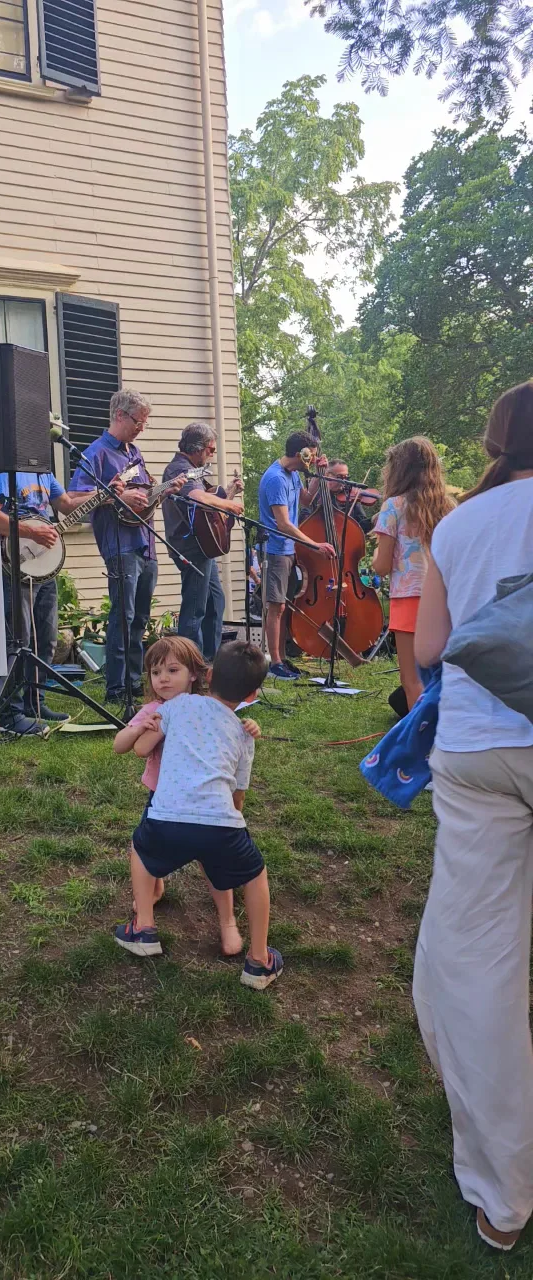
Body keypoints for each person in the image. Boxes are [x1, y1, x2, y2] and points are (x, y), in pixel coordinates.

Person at [412, 381, 533, 1253]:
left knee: (479, 964)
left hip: (482, 748)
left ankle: (502, 1193)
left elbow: (428, 650)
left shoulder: (457, 526)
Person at [114, 640, 284, 991]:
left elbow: (141, 749)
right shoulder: (243, 733)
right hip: (222, 824)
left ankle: (144, 928)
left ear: (206, 675)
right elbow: (239, 795)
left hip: (167, 816)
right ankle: (258, 960)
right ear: (252, 695)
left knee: (141, 849)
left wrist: (145, 730)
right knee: (254, 875)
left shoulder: (177, 707)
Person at [69, 390, 185, 703]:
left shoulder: (134, 452)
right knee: (123, 615)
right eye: (139, 421)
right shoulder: (96, 454)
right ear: (120, 415)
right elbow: (73, 502)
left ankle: (134, 681)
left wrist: (165, 490)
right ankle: (116, 688)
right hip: (119, 544)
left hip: (146, 543)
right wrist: (114, 496)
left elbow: (144, 497)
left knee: (140, 617)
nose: (142, 428)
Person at [0, 470, 96, 735]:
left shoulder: (44, 472)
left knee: (45, 637)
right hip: (13, 563)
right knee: (18, 639)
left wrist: (101, 495)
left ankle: (35, 702)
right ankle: (10, 713)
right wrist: (30, 533)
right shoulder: (3, 469)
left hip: (44, 564)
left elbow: (66, 504)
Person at [372, 437, 454, 713]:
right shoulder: (449, 507)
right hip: (445, 599)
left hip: (408, 599)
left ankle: (421, 744)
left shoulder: (393, 506)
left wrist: (375, 555)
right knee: (444, 676)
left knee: (412, 680)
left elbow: (381, 566)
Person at [162, 422, 244, 661]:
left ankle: (211, 659)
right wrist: (231, 505)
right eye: (210, 449)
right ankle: (190, 663)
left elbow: (206, 512)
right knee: (195, 606)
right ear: (197, 448)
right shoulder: (178, 468)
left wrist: (228, 493)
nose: (212, 453)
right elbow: (197, 498)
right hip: (190, 546)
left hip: (202, 546)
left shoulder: (192, 469)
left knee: (215, 600)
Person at [257, 432, 335, 679]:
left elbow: (306, 499)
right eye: (311, 454)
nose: (312, 459)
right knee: (276, 605)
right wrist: (314, 545)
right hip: (275, 549)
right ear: (300, 452)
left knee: (284, 606)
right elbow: (283, 523)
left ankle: (282, 659)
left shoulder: (292, 475)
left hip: (288, 549)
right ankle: (274, 663)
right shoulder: (276, 478)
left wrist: (320, 475)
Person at [302, 459, 378, 533]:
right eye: (340, 477)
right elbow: (304, 519)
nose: (344, 481)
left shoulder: (350, 496)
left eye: (346, 477)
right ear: (328, 475)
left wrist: (373, 520)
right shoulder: (314, 494)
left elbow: (360, 527)